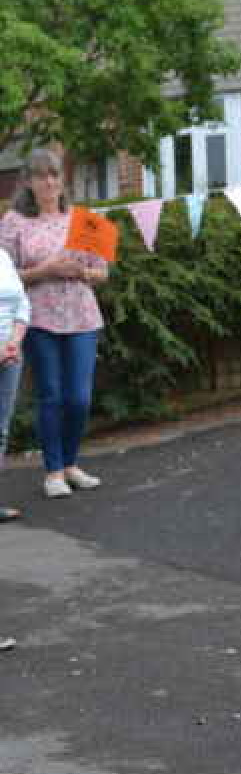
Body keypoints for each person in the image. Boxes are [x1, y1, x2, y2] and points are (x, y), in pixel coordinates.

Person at [0, 150, 108, 498]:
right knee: (51, 395)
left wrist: (81, 271)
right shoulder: (14, 222)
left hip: (82, 316)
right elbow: (5, 274)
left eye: (55, 175)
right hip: (38, 318)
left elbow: (102, 272)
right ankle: (54, 471)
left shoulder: (84, 219)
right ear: (28, 182)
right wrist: (44, 271)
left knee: (79, 398)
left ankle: (72, 464)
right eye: (41, 176)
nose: (49, 182)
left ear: (63, 179)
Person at [0, 242, 31, 526]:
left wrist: (14, 342)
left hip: (10, 354)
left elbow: (22, 301)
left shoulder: (3, 256)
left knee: (1, 428)